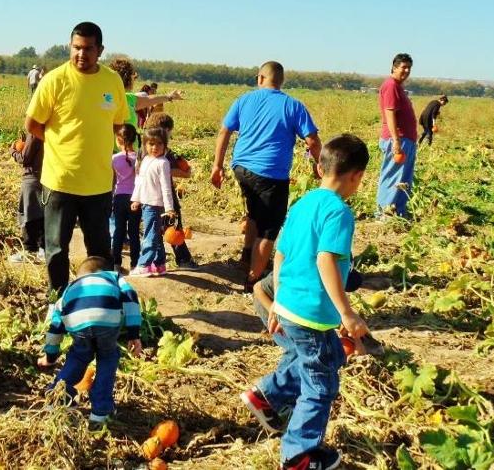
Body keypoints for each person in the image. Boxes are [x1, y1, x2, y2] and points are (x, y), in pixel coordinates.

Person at [240, 134, 370, 470]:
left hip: (291, 307)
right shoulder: (339, 213)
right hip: (313, 313)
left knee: (327, 359)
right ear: (357, 176)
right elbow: (326, 260)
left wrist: (279, 302)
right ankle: (298, 454)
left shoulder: (302, 203)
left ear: (319, 168)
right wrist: (347, 312)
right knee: (321, 385)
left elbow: (280, 253)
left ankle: (267, 394)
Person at [25, 21, 127, 295]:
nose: (81, 54)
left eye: (88, 49)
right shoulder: (54, 80)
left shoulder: (112, 81)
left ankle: (100, 301)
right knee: (57, 247)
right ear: (70, 47)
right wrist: (60, 143)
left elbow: (118, 123)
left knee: (100, 250)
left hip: (98, 182)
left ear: (100, 50)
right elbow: (32, 124)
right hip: (60, 180)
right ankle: (57, 302)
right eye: (76, 48)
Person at [211, 61, 321, 291]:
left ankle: (247, 254)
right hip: (271, 174)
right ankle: (253, 281)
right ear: (281, 81)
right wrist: (317, 164)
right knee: (269, 229)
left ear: (260, 78)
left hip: (241, 169)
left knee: (255, 212)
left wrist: (217, 166)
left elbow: (224, 131)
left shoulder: (244, 100)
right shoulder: (293, 105)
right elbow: (312, 140)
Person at [37, 256, 142, 425]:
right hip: (107, 320)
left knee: (78, 357)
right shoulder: (113, 277)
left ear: (78, 276)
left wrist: (50, 357)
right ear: (106, 271)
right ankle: (100, 412)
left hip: (76, 322)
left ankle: (57, 399)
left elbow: (55, 325)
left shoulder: (71, 288)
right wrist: (133, 333)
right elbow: (130, 296)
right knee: (107, 358)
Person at [144, 112, 200, 271]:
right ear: (165, 130)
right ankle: (183, 260)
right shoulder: (166, 152)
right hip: (166, 195)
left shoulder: (146, 148)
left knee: (155, 228)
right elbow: (183, 172)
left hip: (150, 195)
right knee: (174, 226)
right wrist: (183, 171)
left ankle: (155, 261)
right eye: (169, 131)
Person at [375, 53, 417, 218]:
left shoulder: (398, 86)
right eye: (403, 67)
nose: (406, 71)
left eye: (409, 68)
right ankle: (384, 214)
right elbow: (389, 112)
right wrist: (396, 141)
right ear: (394, 67)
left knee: (403, 179)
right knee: (393, 178)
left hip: (406, 140)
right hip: (398, 139)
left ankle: (397, 212)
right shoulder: (391, 85)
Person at [129, 128, 175, 277]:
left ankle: (144, 265)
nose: (155, 147)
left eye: (159, 144)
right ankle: (159, 264)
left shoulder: (163, 163)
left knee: (150, 235)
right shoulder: (146, 160)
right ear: (145, 145)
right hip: (146, 203)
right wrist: (136, 199)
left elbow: (166, 187)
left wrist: (169, 208)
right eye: (151, 144)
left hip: (155, 205)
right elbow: (140, 182)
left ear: (165, 145)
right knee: (154, 234)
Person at [108, 59, 183, 130]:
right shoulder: (109, 101)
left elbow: (149, 100)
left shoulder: (129, 98)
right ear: (127, 77)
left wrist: (170, 96)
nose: (134, 79)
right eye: (134, 76)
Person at [9, 132, 45, 263]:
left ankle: (30, 251)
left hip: (32, 177)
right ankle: (43, 250)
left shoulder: (35, 134)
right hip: (47, 176)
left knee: (29, 215)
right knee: (43, 214)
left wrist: (13, 151)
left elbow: (24, 158)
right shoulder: (53, 130)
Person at [111, 124, 141, 272]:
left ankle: (115, 263)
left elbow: (112, 181)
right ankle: (135, 263)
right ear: (135, 139)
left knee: (118, 231)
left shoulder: (114, 159)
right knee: (134, 232)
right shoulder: (140, 159)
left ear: (118, 140)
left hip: (119, 198)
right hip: (135, 198)